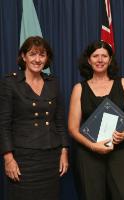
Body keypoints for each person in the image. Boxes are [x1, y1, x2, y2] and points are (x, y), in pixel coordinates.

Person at [68, 41, 124, 200]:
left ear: (110, 59)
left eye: (104, 56)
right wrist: (94, 147)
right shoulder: (79, 89)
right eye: (95, 56)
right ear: (89, 60)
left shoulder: (123, 84)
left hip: (121, 151)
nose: (100, 60)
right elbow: (72, 128)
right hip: (89, 153)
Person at [0, 36, 69, 200]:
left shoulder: (53, 82)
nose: (37, 59)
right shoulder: (10, 83)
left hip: (51, 156)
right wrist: (8, 158)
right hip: (23, 158)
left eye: (42, 55)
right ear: (24, 56)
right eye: (32, 54)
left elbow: (59, 121)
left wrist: (64, 151)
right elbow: (3, 124)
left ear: (47, 58)